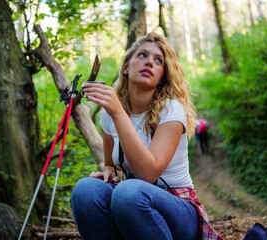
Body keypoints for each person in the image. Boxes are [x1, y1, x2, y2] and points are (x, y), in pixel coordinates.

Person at [70, 32, 224, 240]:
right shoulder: (109, 114)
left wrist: (118, 112)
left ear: (162, 75)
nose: (149, 62)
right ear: (126, 67)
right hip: (134, 207)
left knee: (128, 193)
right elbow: (110, 164)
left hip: (178, 209)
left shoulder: (171, 109)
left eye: (158, 61)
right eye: (142, 55)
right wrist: (107, 170)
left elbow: (147, 174)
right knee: (85, 191)